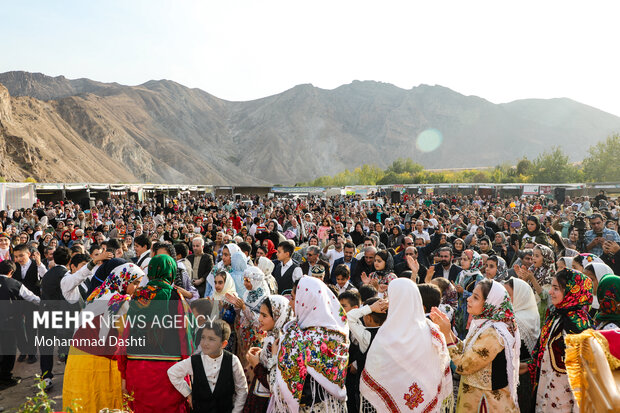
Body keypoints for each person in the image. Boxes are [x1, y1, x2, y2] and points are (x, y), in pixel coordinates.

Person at [62, 263, 145, 412]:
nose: (138, 288)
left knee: (83, 398)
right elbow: (128, 333)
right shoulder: (121, 301)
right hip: (99, 360)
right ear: (123, 281)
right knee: (102, 398)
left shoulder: (99, 293)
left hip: (78, 356)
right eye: (135, 283)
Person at [361, 278, 453, 412]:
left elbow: (375, 369)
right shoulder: (432, 330)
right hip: (424, 392)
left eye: (389, 295)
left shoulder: (385, 333)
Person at [119, 254, 195, 413]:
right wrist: (189, 372)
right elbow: (185, 337)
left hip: (137, 370)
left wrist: (123, 374)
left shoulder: (138, 295)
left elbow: (125, 336)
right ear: (171, 272)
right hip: (169, 372)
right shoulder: (176, 296)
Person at [431, 279, 520, 413]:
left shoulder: (494, 334)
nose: (469, 299)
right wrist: (448, 331)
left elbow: (462, 366)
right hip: (475, 396)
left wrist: (446, 334)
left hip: (486, 402)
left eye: (476, 297)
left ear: (489, 303)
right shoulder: (485, 324)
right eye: (472, 295)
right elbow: (467, 350)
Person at [270, 276, 349, 412]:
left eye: (293, 299)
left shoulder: (294, 340)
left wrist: (273, 358)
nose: (290, 304)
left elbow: (278, 388)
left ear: (306, 302)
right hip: (333, 407)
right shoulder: (338, 333)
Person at [526, 269, 593, 413]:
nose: (550, 292)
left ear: (572, 292)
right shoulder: (557, 316)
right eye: (551, 287)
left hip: (563, 403)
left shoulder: (578, 327)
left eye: (556, 288)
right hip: (546, 396)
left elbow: (583, 379)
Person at [167, 320, 248, 413]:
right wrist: (188, 393)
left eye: (211, 339)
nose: (205, 343)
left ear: (223, 344)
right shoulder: (194, 361)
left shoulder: (233, 361)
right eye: (203, 337)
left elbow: (242, 389)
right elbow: (172, 372)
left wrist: (236, 411)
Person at [244, 295, 294, 413]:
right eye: (260, 314)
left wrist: (256, 364)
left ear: (278, 317)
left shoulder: (281, 343)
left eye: (264, 315)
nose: (260, 319)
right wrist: (261, 354)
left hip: (267, 403)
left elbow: (275, 384)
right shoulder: (273, 337)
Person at [0, 260, 40, 390]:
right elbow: (32, 297)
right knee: (9, 350)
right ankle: (5, 378)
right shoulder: (14, 283)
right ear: (11, 272)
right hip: (10, 321)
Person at [503, 277, 540, 413]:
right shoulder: (524, 313)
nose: (504, 298)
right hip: (519, 370)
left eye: (508, 295)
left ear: (520, 296)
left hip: (521, 373)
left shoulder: (519, 319)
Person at [454, 249, 484, 338]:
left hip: (470, 311)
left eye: (465, 260)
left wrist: (464, 292)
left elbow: (479, 297)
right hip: (460, 309)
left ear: (473, 261)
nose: (462, 262)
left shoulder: (478, 277)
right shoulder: (461, 274)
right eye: (461, 259)